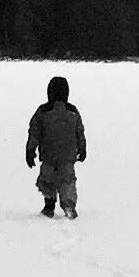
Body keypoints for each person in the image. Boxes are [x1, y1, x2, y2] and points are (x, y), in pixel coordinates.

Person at [26, 75, 88, 219]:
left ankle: (49, 205)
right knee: (67, 180)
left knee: (47, 179)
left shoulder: (43, 111)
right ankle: (69, 205)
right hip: (68, 154)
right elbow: (79, 131)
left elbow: (34, 132)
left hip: (48, 153)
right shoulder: (72, 111)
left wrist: (30, 150)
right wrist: (82, 148)